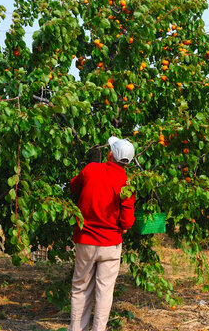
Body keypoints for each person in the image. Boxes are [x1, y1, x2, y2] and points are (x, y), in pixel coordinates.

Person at [68, 136, 136, 331]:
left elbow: (74, 187)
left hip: (86, 241)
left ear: (111, 154)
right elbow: (127, 221)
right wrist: (121, 226)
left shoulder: (91, 169)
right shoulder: (126, 182)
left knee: (80, 288)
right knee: (105, 292)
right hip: (111, 245)